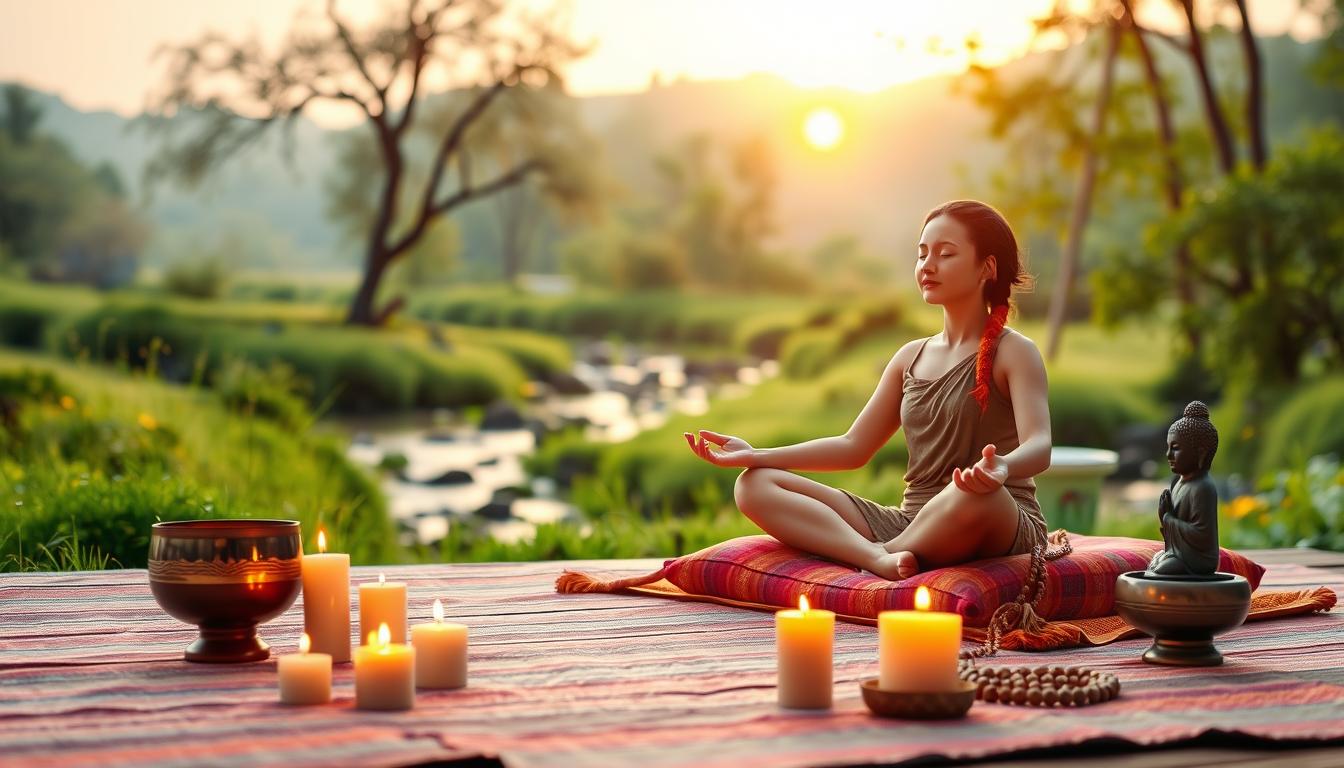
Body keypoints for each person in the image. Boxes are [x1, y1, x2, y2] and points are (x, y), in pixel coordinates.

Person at [683, 200, 1052, 581]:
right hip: (910, 520)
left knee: (978, 495)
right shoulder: (909, 357)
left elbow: (1040, 445)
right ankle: (875, 557)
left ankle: (885, 554)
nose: (927, 265)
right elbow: (853, 446)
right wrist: (755, 455)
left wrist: (1002, 466)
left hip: (994, 516)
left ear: (986, 268)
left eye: (945, 254)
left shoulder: (1015, 352)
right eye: (922, 254)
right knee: (754, 485)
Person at [1145, 401, 1221, 576]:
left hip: (1199, 559)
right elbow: (1174, 535)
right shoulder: (1177, 483)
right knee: (1156, 560)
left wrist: (1168, 519)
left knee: (1163, 570)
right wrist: (1165, 517)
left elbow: (1202, 535)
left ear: (1200, 453)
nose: (1168, 455)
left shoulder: (1203, 487)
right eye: (1168, 447)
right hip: (1179, 553)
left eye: (1176, 448)